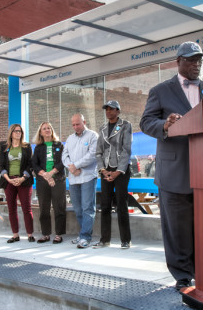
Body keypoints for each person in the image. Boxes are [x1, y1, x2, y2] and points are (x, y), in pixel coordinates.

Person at [139, 41, 203, 290]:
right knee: (177, 229)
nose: (196, 64)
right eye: (191, 60)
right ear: (178, 62)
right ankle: (182, 275)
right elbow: (146, 122)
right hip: (175, 171)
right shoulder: (161, 90)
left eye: (199, 60)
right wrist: (165, 124)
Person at [93, 100, 132, 249]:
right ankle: (105, 239)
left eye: (112, 109)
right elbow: (98, 152)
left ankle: (125, 240)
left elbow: (126, 150)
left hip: (120, 171)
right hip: (106, 171)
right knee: (105, 205)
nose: (108, 112)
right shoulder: (102, 128)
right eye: (107, 109)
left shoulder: (126, 125)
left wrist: (117, 172)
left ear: (118, 111)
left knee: (122, 204)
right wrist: (103, 170)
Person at [62, 114, 98, 249]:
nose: (75, 127)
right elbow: (64, 156)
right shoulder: (70, 138)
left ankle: (85, 237)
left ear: (84, 122)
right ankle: (83, 233)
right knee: (78, 209)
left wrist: (76, 165)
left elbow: (92, 155)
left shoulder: (92, 136)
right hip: (73, 178)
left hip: (88, 177)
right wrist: (71, 167)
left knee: (88, 208)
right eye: (73, 125)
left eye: (78, 124)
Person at [0, 124, 35, 243]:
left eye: (20, 131)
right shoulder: (4, 146)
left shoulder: (26, 146)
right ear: (11, 133)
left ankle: (30, 234)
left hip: (24, 181)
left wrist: (22, 178)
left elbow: (30, 164)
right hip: (9, 181)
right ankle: (15, 235)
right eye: (15, 131)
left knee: (26, 208)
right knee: (11, 208)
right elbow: (1, 165)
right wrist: (8, 179)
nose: (18, 133)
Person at [31, 122, 66, 244]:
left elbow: (63, 162)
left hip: (58, 180)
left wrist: (52, 173)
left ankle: (58, 234)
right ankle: (45, 234)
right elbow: (34, 164)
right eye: (44, 129)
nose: (47, 130)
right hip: (43, 181)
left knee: (59, 207)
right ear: (40, 132)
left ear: (52, 130)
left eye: (49, 128)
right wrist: (46, 175)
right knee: (44, 208)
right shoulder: (38, 147)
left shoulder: (59, 145)